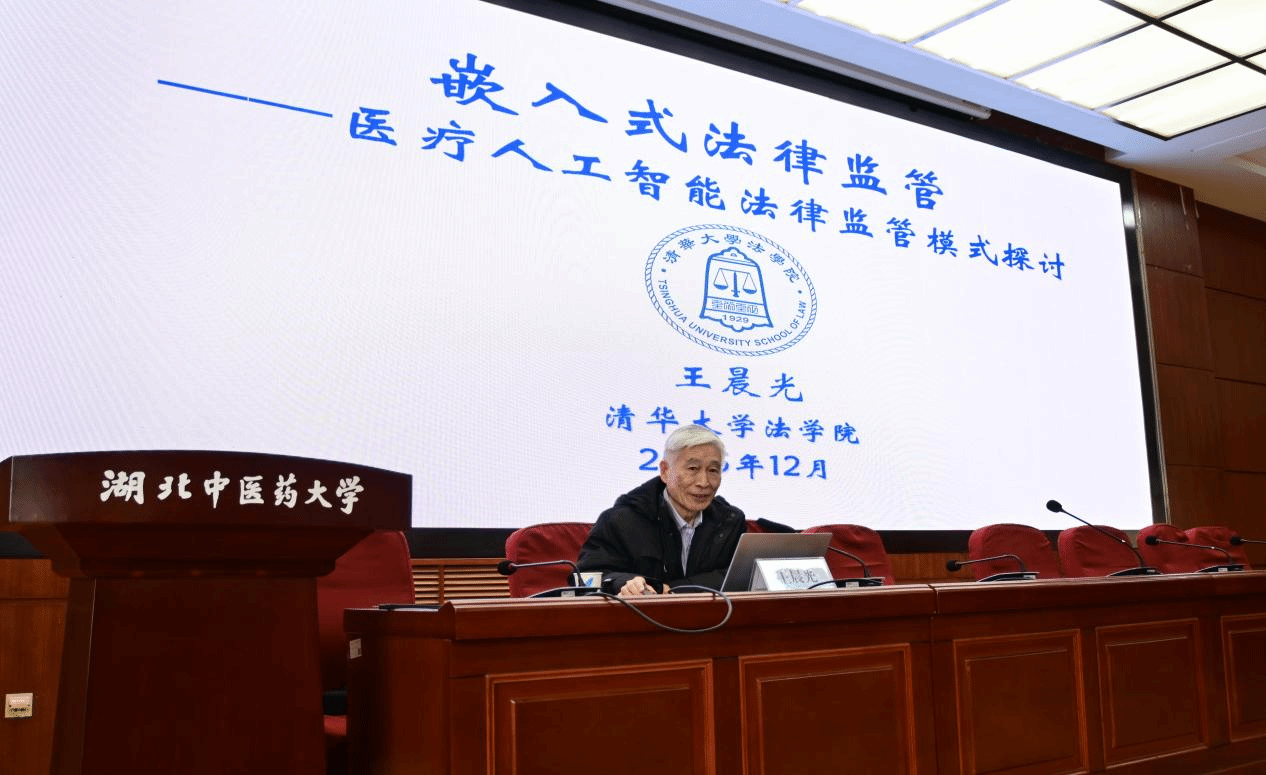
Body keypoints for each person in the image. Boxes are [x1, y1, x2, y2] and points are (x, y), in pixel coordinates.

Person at [578, 424, 746, 597]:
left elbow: (740, 577)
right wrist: (625, 583)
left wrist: (673, 589)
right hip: (639, 613)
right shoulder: (621, 520)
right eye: (692, 469)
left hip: (712, 614)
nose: (704, 482)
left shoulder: (730, 522)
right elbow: (587, 576)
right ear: (665, 471)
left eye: (713, 470)